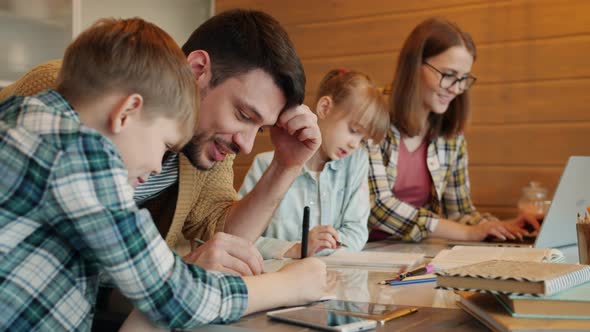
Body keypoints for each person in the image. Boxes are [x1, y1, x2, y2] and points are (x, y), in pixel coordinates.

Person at [0, 18, 327, 331]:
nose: (246, 145)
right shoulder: (79, 141)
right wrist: (288, 285)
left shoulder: (51, 123)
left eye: (262, 128)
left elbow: (203, 254)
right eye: (243, 115)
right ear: (198, 70)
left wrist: (287, 165)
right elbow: (173, 294)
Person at [367, 17, 539, 242]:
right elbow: (378, 206)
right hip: (361, 251)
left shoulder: (450, 134)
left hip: (411, 253)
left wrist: (499, 226)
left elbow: (459, 211)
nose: (456, 89)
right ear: (413, 66)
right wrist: (467, 232)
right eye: (448, 75)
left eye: (464, 79)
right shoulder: (370, 113)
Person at [239, 69, 389, 259]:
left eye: (362, 139)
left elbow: (357, 231)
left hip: (332, 278)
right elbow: (240, 237)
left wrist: (320, 247)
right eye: (353, 130)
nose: (354, 144)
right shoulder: (265, 165)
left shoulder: (356, 163)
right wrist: (296, 248)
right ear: (325, 108)